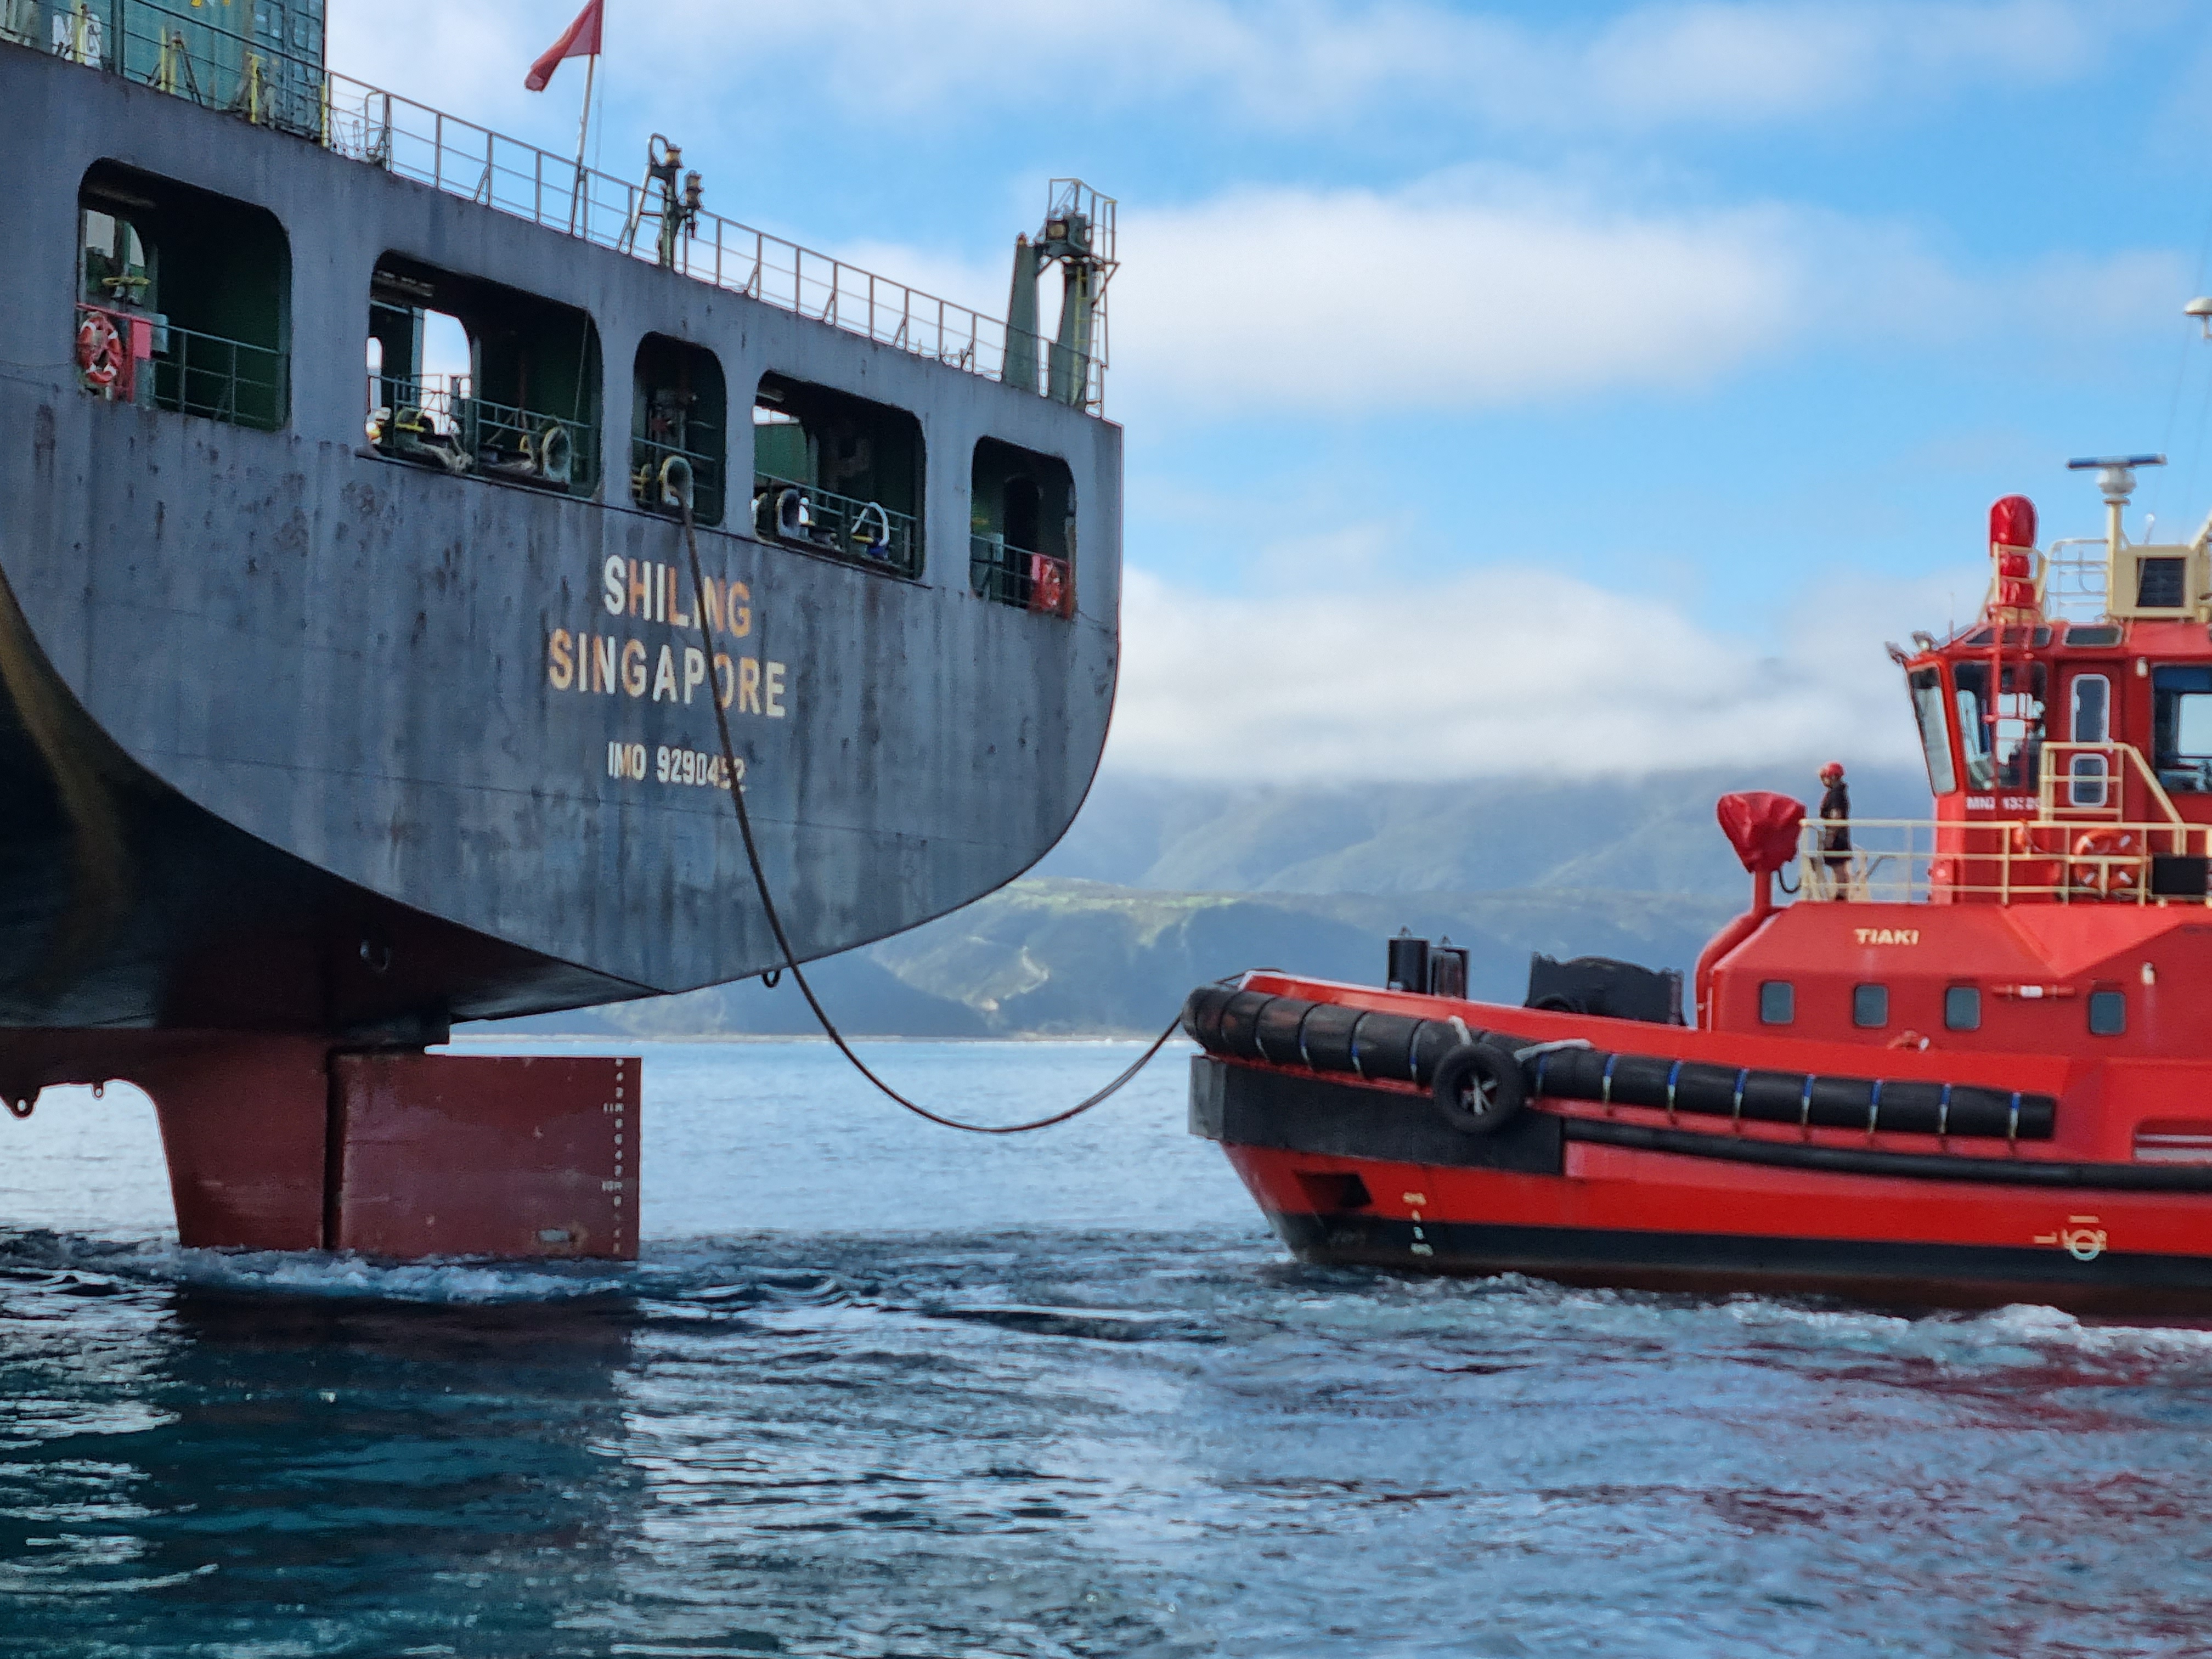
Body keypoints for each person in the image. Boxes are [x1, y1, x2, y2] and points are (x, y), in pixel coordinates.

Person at [1818, 761, 1851, 896]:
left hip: (1837, 837)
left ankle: (1841, 895)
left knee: (1838, 867)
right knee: (1840, 868)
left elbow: (1836, 816)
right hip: (1841, 835)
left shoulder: (1836, 795)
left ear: (1832, 777)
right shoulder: (1839, 792)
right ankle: (1841, 893)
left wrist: (1830, 837)